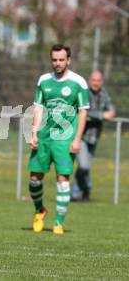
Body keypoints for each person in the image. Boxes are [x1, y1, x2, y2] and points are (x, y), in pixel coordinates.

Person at [28, 45, 89, 235]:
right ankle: (40, 211)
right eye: (54, 60)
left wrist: (77, 139)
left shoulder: (78, 83)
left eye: (61, 60)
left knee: (63, 179)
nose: (58, 63)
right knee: (34, 179)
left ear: (68, 60)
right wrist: (34, 133)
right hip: (44, 137)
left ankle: (58, 222)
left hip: (65, 140)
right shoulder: (44, 80)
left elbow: (83, 111)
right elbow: (37, 107)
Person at [71, 70, 116, 202]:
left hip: (94, 137)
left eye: (98, 80)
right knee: (84, 165)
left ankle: (80, 194)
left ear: (101, 81)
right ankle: (82, 190)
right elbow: (85, 112)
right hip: (81, 136)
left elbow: (112, 110)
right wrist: (102, 115)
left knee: (85, 167)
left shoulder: (104, 93)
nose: (96, 83)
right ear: (89, 81)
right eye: (94, 80)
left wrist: (109, 113)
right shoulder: (84, 92)